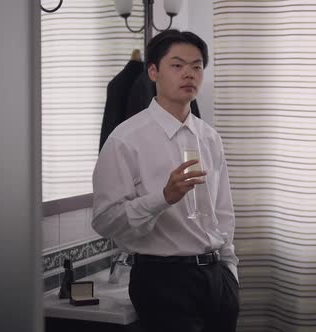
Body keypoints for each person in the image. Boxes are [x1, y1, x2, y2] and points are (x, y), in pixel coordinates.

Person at [91, 29, 239, 332]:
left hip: (217, 280)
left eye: (197, 66)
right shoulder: (124, 140)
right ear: (153, 71)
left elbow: (223, 211)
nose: (189, 74)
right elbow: (105, 220)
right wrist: (163, 197)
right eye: (177, 65)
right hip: (163, 281)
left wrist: (230, 272)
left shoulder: (210, 137)